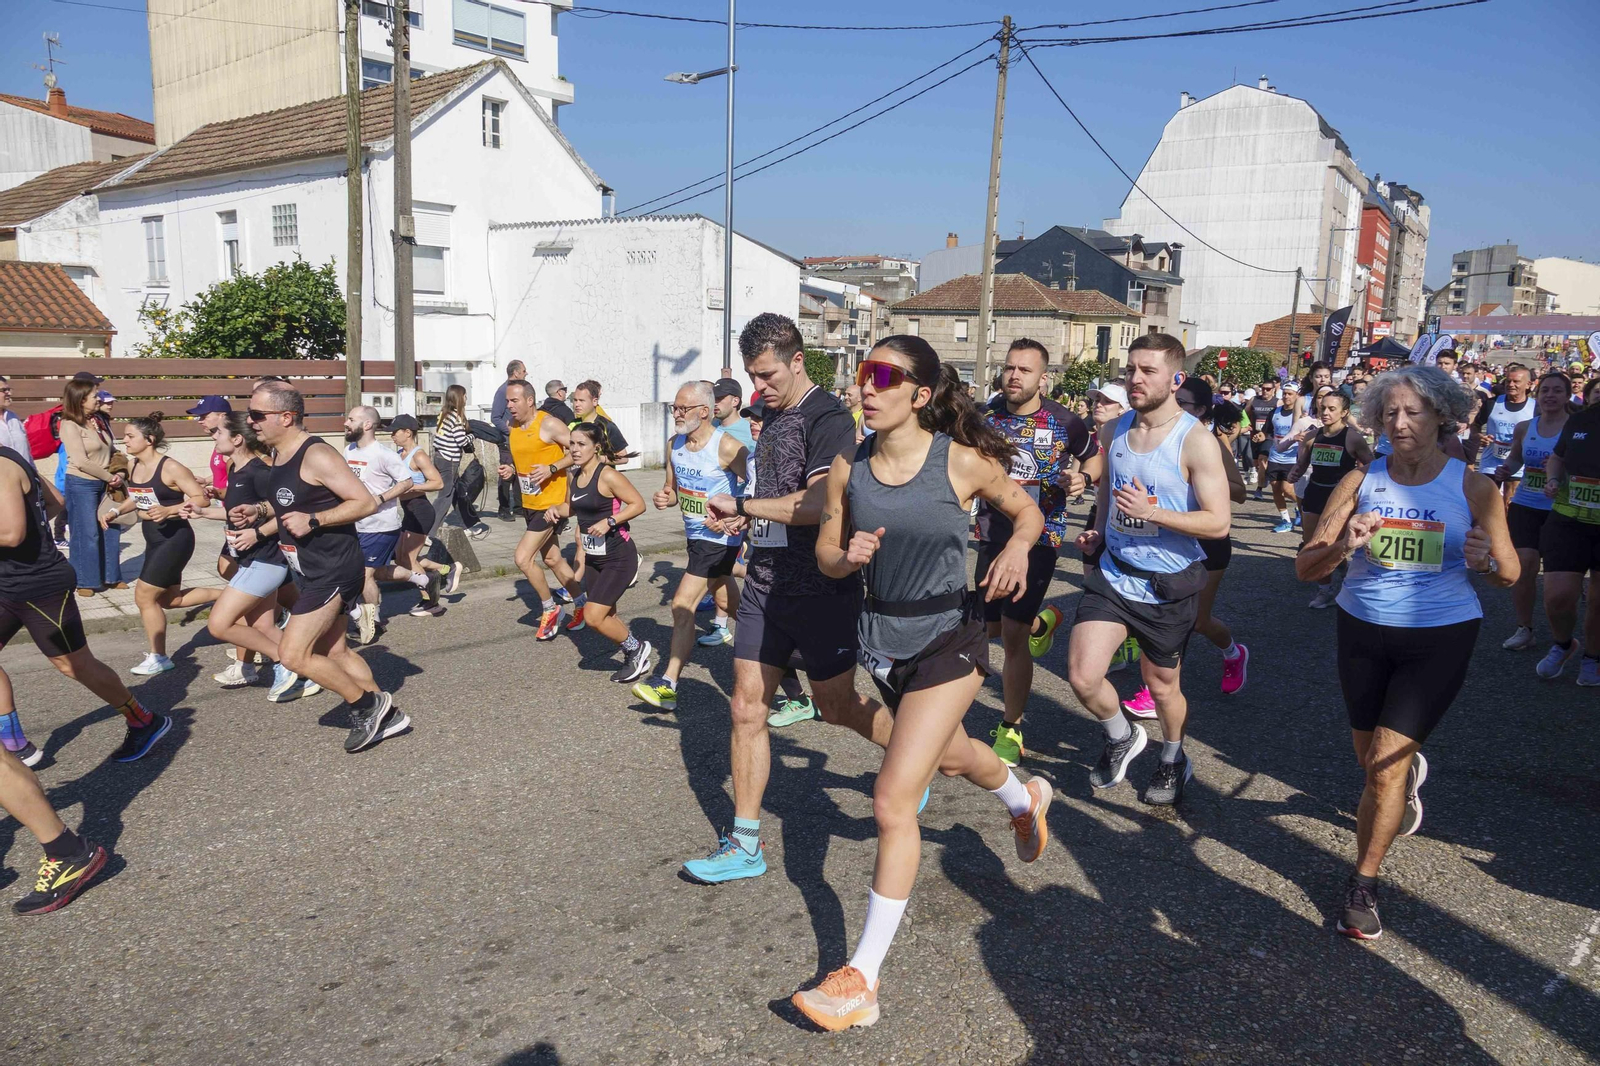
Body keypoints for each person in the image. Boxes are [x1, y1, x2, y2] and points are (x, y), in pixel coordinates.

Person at [789, 336, 1052, 1031]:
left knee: (892, 798)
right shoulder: (850, 467)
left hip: (949, 639)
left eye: (882, 377)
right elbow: (825, 553)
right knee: (955, 755)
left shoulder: (962, 460)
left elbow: (1028, 513)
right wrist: (847, 558)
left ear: (921, 394)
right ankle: (1023, 797)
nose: (865, 389)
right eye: (861, 376)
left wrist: (1020, 546)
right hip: (883, 640)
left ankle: (861, 979)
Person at [1296, 365, 1517, 939]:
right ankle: (1402, 772)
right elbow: (1305, 567)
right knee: (1367, 759)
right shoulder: (1360, 481)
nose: (1399, 423)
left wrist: (1484, 563)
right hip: (1362, 627)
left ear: (1441, 415)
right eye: (1389, 413)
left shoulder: (1472, 486)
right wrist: (1344, 544)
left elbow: (1510, 573)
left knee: (1381, 777)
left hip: (1440, 636)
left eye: (1413, 412)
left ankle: (1364, 883)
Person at [682, 312, 894, 883]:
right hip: (765, 583)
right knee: (746, 706)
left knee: (836, 706)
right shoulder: (769, 418)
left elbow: (820, 503)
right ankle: (745, 844)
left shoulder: (828, 418)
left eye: (769, 374)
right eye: (753, 375)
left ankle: (910, 762)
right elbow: (773, 498)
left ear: (797, 360)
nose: (760, 386)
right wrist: (746, 522)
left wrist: (747, 510)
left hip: (821, 587)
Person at [1067, 332, 1232, 806]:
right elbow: (1107, 491)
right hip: (1116, 573)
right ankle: (1121, 735)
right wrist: (1098, 531)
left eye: (1148, 371)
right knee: (1082, 675)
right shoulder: (1113, 430)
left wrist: (1154, 513)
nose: (1135, 379)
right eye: (1130, 370)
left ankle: (1173, 756)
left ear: (1175, 379)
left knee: (1162, 690)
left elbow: (1218, 523)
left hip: (1168, 583)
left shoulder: (1196, 442)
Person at [242, 381, 408, 754]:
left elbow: (364, 502)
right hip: (312, 568)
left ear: (286, 417)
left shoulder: (316, 454)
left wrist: (315, 521)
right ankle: (389, 714)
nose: (250, 421)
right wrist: (260, 512)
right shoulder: (278, 453)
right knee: (336, 652)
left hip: (334, 568)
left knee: (293, 654)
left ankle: (368, 706)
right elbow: (290, 503)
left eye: (257, 414)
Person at [0, 438, 170, 766]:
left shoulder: (2, 464)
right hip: (7, 585)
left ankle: (144, 720)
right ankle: (14, 743)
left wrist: (30, 546)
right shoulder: (11, 457)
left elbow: (11, 534)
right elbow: (55, 501)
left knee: (75, 665)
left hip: (38, 586)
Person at [975, 338, 1099, 768]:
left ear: (1042, 377)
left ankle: (1011, 727)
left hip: (1040, 539)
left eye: (1024, 370)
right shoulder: (984, 416)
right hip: (990, 534)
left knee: (1009, 635)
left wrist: (1083, 477)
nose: (1014, 376)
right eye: (1009, 368)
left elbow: (1095, 458)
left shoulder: (1066, 422)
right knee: (984, 631)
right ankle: (1040, 624)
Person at [1123, 379, 1249, 714]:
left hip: (1206, 544)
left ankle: (1234, 653)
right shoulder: (1148, 435)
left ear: (1202, 411)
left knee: (1196, 621)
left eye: (1185, 403)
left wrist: (1201, 481)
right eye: (1174, 400)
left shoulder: (1205, 441)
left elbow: (1239, 491)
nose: (1176, 407)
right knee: (1158, 614)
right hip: (1162, 541)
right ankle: (1153, 686)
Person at [187, 412, 319, 701]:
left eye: (217, 433)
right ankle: (310, 670)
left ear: (236, 439)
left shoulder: (261, 472)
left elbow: (285, 508)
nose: (213, 438)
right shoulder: (237, 470)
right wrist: (203, 512)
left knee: (219, 624)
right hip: (251, 560)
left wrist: (257, 534)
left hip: (268, 561)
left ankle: (288, 665)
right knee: (262, 625)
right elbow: (238, 514)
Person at [632, 382, 748, 710]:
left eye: (683, 408)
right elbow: (672, 490)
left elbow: (758, 486)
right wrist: (665, 497)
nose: (677, 414)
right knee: (738, 608)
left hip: (720, 539)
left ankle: (667, 682)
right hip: (695, 539)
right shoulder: (674, 445)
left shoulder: (727, 447)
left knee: (682, 606)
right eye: (674, 407)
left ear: (705, 411)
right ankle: (780, 659)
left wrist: (738, 513)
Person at [97, 415, 220, 675]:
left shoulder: (171, 468)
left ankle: (159, 656)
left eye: (130, 436)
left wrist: (169, 510)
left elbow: (201, 500)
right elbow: (137, 497)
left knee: (143, 596)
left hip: (175, 538)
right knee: (169, 599)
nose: (125, 440)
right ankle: (236, 596)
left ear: (149, 440)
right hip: (153, 537)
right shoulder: (133, 466)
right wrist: (116, 512)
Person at [543, 423, 654, 682]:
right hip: (594, 558)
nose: (575, 449)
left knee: (593, 617)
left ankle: (636, 649)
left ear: (596, 447)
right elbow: (573, 507)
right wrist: (554, 509)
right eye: (572, 444)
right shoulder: (575, 475)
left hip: (619, 556)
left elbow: (638, 504)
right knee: (607, 614)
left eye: (581, 444)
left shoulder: (607, 476)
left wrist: (611, 521)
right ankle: (633, 656)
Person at [498, 379, 583, 640]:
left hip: (552, 505)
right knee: (552, 559)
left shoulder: (547, 423)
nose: (509, 406)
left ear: (530, 400)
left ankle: (550, 608)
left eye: (514, 401)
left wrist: (553, 468)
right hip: (530, 502)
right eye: (507, 401)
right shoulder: (513, 426)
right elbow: (525, 456)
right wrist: (512, 470)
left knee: (523, 558)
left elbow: (579, 450)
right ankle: (583, 603)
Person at [1531, 388, 1600, 684]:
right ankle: (1563, 644)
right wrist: (1554, 479)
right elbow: (1557, 458)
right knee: (1558, 597)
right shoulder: (1581, 420)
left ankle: (1593, 658)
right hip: (1568, 520)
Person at [343, 406, 429, 643]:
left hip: (381, 525)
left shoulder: (384, 454)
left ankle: (374, 621)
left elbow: (406, 482)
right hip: (355, 523)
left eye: (351, 419)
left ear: (367, 425)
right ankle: (420, 578)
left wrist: (380, 499)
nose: (345, 423)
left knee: (364, 574)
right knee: (378, 571)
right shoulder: (348, 450)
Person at [1500, 372, 1570, 652]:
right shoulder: (1525, 427)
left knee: (1558, 578)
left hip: (1562, 508)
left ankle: (1562, 634)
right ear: (1537, 395)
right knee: (1524, 565)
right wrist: (1507, 467)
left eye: (1557, 391)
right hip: (1526, 503)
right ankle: (1524, 628)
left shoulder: (1575, 428)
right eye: (1545, 391)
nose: (1550, 395)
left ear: (1566, 397)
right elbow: (1517, 456)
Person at [1291, 389, 1375, 608]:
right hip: (1315, 492)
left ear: (1344, 412)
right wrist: (1295, 473)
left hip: (1339, 498)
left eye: (1331, 409)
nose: (1325, 412)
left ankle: (1339, 564)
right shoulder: (1312, 436)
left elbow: (1372, 467)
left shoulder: (1352, 438)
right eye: (1323, 408)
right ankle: (1326, 590)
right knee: (1313, 544)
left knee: (1333, 544)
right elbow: (1302, 464)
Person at [58, 379, 123, 596]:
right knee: (87, 533)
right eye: (95, 395)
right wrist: (109, 477)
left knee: (110, 529)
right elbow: (81, 461)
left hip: (106, 483)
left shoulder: (97, 421)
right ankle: (85, 580)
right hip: (81, 484)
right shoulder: (69, 424)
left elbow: (112, 449)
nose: (99, 399)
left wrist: (119, 472)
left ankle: (111, 577)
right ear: (81, 399)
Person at [387, 414, 452, 617]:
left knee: (410, 559)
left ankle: (431, 603)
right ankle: (445, 569)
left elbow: (438, 483)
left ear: (407, 432)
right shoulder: (399, 454)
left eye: (395, 432)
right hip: (409, 512)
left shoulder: (419, 455)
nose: (392, 436)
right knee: (400, 558)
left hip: (421, 511)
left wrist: (413, 487)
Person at [1474, 363, 1534, 499]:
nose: (1511, 384)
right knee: (1487, 504)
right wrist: (1480, 436)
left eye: (1516, 381)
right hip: (1490, 464)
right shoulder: (1492, 403)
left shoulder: (1535, 408)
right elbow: (1474, 425)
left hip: (1519, 465)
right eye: (1508, 381)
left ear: (1528, 384)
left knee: (1509, 502)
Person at [1263, 382, 1315, 533]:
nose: (1286, 396)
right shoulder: (1275, 412)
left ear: (1297, 396)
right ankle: (1285, 520)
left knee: (1287, 489)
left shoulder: (1302, 415)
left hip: (1293, 457)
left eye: (1290, 394)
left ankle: (1301, 508)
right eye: (1284, 393)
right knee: (1275, 488)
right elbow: (1268, 432)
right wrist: (1261, 436)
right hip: (1276, 455)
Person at [429, 384, 476, 549]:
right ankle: (429, 530)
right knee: (445, 496)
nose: (466, 398)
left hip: (440, 457)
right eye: (464, 395)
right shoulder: (456, 417)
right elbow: (461, 441)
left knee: (454, 494)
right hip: (449, 460)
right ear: (458, 397)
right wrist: (472, 436)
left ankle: (463, 525)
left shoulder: (444, 414)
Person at [491, 360, 528, 520]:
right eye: (524, 371)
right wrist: (510, 432)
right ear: (516, 373)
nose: (526, 373)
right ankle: (504, 509)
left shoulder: (523, 390)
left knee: (521, 471)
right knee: (506, 475)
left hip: (523, 439)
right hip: (508, 440)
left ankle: (519, 507)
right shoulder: (502, 391)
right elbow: (495, 417)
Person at [186, 395, 233, 502]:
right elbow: (223, 470)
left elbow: (242, 477)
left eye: (204, 416)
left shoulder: (231, 445)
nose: (200, 421)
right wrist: (206, 480)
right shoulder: (219, 441)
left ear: (222, 416)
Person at [569, 380, 629, 458]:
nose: (577, 404)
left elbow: (624, 457)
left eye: (581, 400)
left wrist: (599, 460)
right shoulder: (571, 425)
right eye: (575, 400)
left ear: (594, 401)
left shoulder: (607, 426)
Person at [1246, 377, 1280, 495]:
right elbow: (1244, 414)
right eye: (1263, 389)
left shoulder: (1277, 402)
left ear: (1273, 390)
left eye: (1268, 389)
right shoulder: (1254, 400)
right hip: (1255, 436)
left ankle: (1259, 489)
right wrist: (1247, 425)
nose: (1265, 391)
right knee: (1256, 463)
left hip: (1269, 436)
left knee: (1262, 459)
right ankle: (1264, 478)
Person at [713, 378, 755, 451]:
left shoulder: (750, 432)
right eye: (713, 398)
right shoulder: (709, 427)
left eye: (719, 398)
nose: (714, 403)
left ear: (735, 401)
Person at [0, 376, 32, 465]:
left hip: (25, 475)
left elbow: (27, 452)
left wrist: (34, 474)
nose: (9, 393)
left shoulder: (14, 418)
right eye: (3, 390)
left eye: (8, 389)